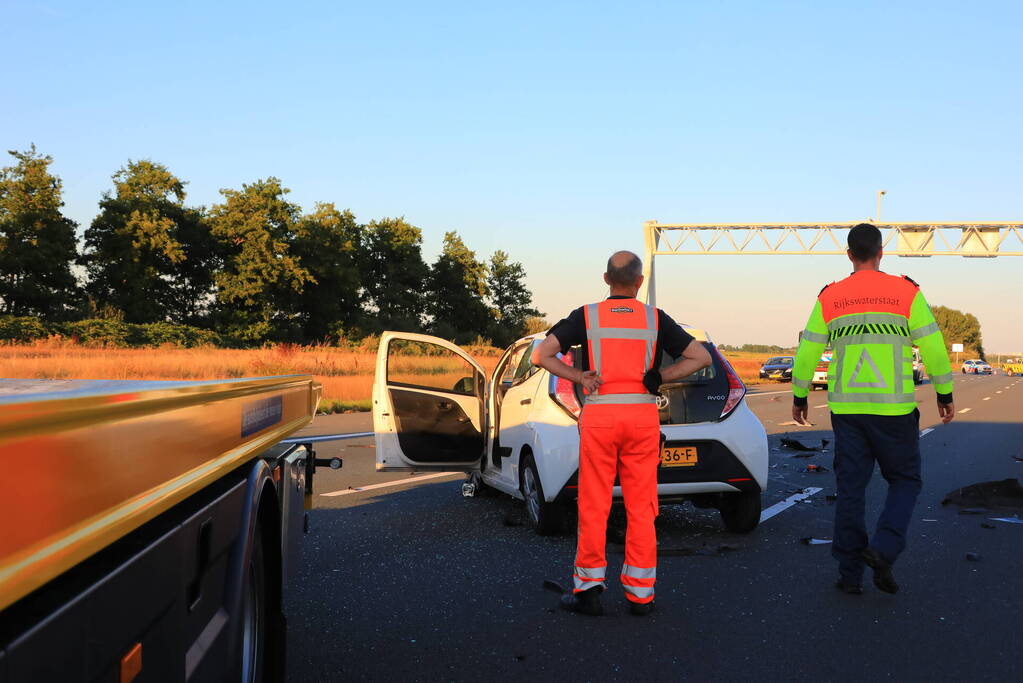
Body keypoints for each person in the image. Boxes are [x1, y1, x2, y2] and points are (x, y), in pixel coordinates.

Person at [531, 250, 711, 616]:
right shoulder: (655, 319)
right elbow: (701, 358)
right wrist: (660, 377)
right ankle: (641, 594)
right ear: (640, 281)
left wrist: (579, 376)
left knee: (594, 504)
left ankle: (589, 590)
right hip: (642, 418)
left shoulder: (588, 316)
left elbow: (541, 355)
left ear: (605, 279)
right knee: (642, 507)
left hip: (600, 418)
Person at [790, 223, 954, 595]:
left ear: (849, 255)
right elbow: (933, 347)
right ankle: (883, 549)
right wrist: (944, 393)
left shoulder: (830, 297)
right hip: (894, 411)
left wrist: (800, 395)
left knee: (851, 490)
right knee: (905, 481)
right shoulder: (906, 291)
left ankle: (850, 576)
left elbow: (808, 351)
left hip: (847, 411)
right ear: (881, 253)